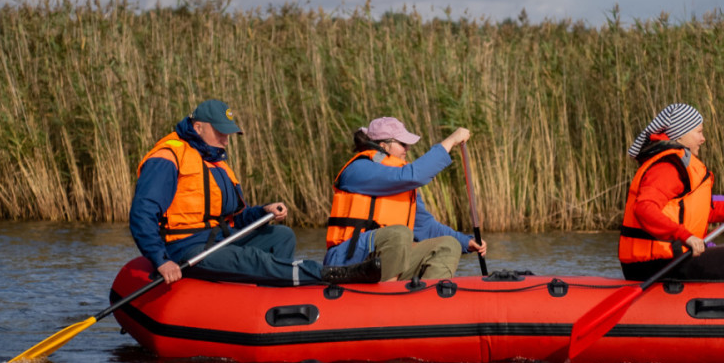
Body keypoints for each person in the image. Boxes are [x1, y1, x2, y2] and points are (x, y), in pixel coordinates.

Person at [130, 99, 381, 287]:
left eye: (228, 134)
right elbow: (142, 214)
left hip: (220, 238)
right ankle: (332, 274)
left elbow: (235, 218)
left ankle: (273, 292)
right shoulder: (168, 158)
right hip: (187, 248)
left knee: (282, 236)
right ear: (198, 127)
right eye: (220, 132)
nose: (226, 140)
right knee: (254, 259)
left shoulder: (215, 162)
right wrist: (161, 260)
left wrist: (263, 212)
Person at [619, 102, 724, 281]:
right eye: (699, 132)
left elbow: (701, 211)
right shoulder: (667, 167)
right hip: (653, 265)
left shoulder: (680, 165)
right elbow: (644, 208)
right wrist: (686, 237)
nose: (703, 139)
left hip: (669, 259)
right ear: (681, 134)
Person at [325, 117, 489, 281]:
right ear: (383, 146)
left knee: (448, 245)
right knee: (399, 233)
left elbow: (425, 227)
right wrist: (451, 141)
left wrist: (466, 242)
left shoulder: (401, 184)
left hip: (381, 262)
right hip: (347, 259)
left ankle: (428, 295)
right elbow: (413, 175)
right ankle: (388, 293)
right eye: (402, 144)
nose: (407, 148)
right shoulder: (359, 169)